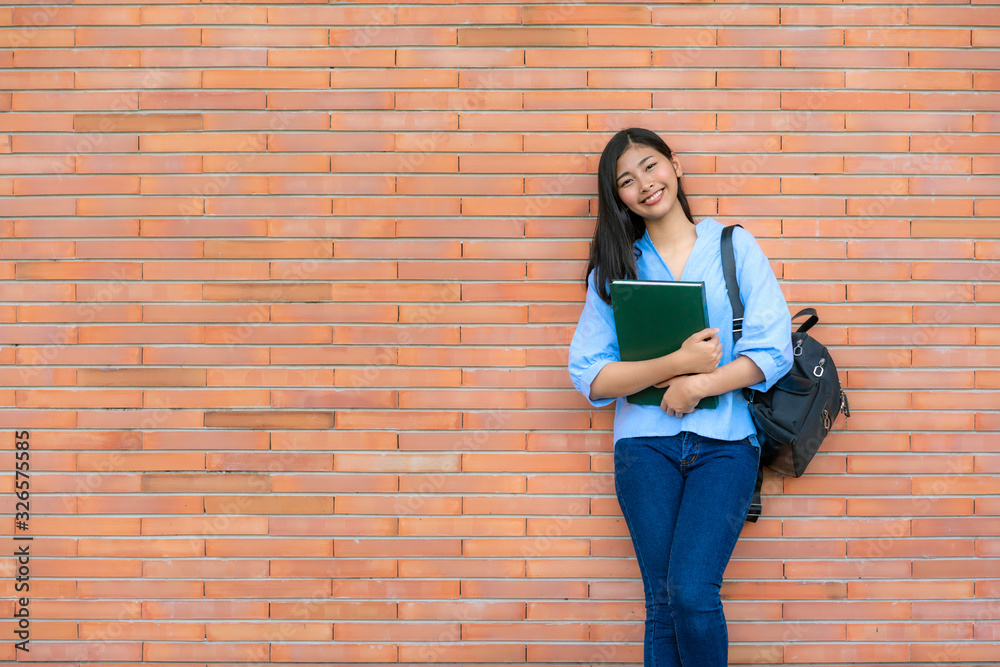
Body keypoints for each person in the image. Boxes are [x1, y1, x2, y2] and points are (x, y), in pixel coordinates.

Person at [568, 128, 793, 667]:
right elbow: (590, 377)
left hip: (727, 445)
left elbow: (774, 349)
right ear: (617, 197)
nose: (644, 184)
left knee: (692, 594)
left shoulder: (734, 246)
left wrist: (700, 384)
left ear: (676, 166)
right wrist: (677, 365)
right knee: (662, 604)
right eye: (626, 181)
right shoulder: (616, 270)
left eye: (650, 166)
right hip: (644, 449)